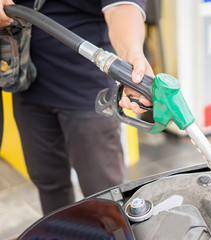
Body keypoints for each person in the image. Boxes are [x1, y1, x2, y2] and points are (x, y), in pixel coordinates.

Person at [0, 0, 153, 215]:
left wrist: (130, 59)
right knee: (49, 183)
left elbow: (121, 7)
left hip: (87, 93)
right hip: (26, 82)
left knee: (103, 193)